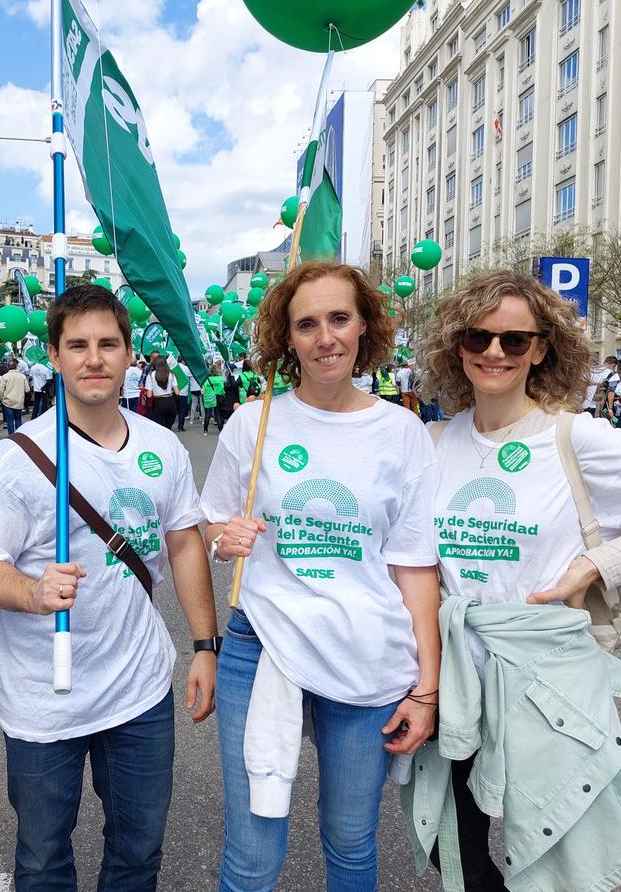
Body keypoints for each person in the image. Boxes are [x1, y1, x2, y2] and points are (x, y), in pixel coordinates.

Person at [415, 269, 621, 891]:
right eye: (478, 338)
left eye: (515, 340)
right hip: (454, 674)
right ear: (457, 346)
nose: (494, 352)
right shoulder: (430, 442)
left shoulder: (573, 435)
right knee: (457, 849)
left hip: (544, 678)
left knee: (558, 845)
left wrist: (594, 566)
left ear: (542, 349)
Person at [0, 284, 218, 892]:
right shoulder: (17, 458)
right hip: (45, 697)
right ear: (54, 356)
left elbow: (184, 543)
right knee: (43, 858)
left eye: (108, 343)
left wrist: (206, 645)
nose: (94, 358)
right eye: (77, 345)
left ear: (129, 353)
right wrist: (32, 592)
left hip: (140, 690)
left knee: (137, 851)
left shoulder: (163, 446)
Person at [200, 262, 442, 890]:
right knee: (252, 852)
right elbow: (211, 529)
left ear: (365, 327)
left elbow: (414, 566)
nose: (325, 337)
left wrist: (427, 688)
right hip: (262, 648)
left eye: (339, 318)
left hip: (367, 654)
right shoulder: (251, 426)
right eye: (306, 324)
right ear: (287, 337)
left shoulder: (402, 432)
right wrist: (223, 539)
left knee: (352, 841)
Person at [144, 356, 177, 429]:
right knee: (168, 428)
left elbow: (149, 395)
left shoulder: (151, 375)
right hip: (170, 401)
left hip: (158, 403)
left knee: (160, 428)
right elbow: (177, 392)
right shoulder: (171, 374)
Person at [0, 358, 28, 434]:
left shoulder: (5, 377)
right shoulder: (22, 376)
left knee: (9, 420)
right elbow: (27, 389)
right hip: (19, 401)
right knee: (18, 419)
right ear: (16, 366)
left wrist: (1, 399)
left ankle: (11, 436)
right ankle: (19, 436)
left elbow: (0, 390)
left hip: (8, 402)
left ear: (8, 367)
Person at [201, 362, 223, 435]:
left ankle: (205, 430)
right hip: (218, 397)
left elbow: (203, 390)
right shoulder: (221, 378)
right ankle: (220, 430)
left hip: (209, 398)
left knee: (208, 413)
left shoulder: (206, 380)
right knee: (218, 414)